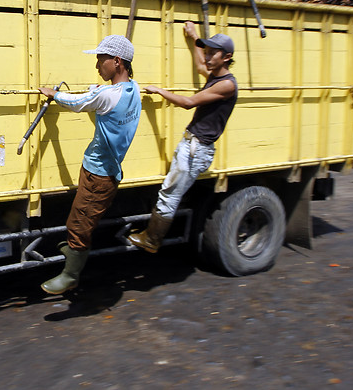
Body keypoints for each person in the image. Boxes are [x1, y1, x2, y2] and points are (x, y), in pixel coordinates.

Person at [38, 34, 142, 294]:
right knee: (79, 215)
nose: (97, 67)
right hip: (101, 170)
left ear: (117, 62)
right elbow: (102, 95)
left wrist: (53, 94)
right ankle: (71, 249)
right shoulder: (133, 89)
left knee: (79, 223)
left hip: (100, 174)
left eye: (100, 61)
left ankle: (71, 275)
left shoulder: (107, 95)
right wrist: (96, 90)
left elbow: (78, 103)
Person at [128, 21, 237, 253]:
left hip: (197, 148)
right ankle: (152, 237)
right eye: (207, 52)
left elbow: (188, 103)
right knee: (170, 190)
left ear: (227, 57)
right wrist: (194, 37)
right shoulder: (216, 76)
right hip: (192, 144)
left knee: (170, 193)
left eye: (213, 53)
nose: (208, 57)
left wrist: (160, 90)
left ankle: (152, 240)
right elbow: (200, 66)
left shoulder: (227, 85)